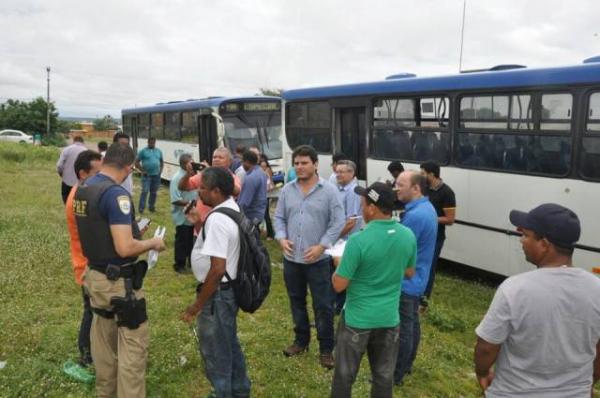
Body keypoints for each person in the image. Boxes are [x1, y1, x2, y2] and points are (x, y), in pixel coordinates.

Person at [475, 203, 600, 396]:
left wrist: (482, 372)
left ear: (544, 244)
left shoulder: (514, 289)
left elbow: (486, 347)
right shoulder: (596, 288)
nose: (521, 241)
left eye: (525, 235)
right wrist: (587, 382)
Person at [75, 143, 166, 397]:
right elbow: (125, 248)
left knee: (103, 344)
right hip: (119, 284)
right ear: (128, 167)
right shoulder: (116, 195)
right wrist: (153, 243)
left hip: (94, 276)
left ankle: (106, 392)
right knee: (133, 351)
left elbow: (99, 229)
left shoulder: (84, 189)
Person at [330, 182, 416, 398]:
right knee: (383, 376)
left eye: (363, 203)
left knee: (344, 376)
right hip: (389, 318)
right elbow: (409, 272)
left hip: (357, 321)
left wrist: (338, 263)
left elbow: (339, 284)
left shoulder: (358, 241)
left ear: (371, 208)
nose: (361, 207)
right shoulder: (407, 235)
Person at [182, 167, 251, 398]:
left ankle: (222, 392)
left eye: (202, 188)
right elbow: (220, 247)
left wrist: (198, 305)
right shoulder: (230, 209)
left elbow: (218, 269)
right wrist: (198, 223)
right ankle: (240, 390)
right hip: (227, 291)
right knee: (228, 343)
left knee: (216, 351)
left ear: (217, 191)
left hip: (218, 295)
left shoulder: (219, 220)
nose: (198, 193)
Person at [274, 145, 345, 369]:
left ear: (315, 164)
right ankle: (301, 341)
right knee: (296, 302)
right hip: (292, 259)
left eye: (304, 163)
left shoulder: (329, 190)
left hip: (318, 261)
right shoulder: (287, 190)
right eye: (296, 163)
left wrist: (322, 246)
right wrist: (281, 238)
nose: (299, 167)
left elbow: (338, 222)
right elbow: (279, 218)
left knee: (323, 305)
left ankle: (326, 349)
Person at [393, 171, 438, 385]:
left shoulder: (416, 216)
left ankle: (396, 374)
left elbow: (398, 248)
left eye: (401, 185)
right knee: (412, 324)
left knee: (404, 329)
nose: (396, 188)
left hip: (408, 280)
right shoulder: (425, 208)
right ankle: (407, 364)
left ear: (416, 188)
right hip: (418, 277)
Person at [65, 150, 103, 368]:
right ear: (82, 173)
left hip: (87, 263)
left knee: (93, 311)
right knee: (91, 312)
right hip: (87, 265)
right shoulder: (80, 198)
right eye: (97, 173)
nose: (101, 178)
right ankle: (86, 355)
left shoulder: (82, 192)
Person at [178, 147, 242, 234]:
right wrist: (188, 174)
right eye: (214, 157)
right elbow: (182, 187)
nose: (216, 160)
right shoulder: (204, 175)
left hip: (220, 227)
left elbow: (236, 191)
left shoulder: (233, 178)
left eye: (220, 157)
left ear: (229, 162)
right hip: (199, 227)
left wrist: (216, 174)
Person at [420, 161, 456, 301]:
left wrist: (429, 218)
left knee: (429, 267)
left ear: (432, 174)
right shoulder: (425, 189)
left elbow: (450, 219)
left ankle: (424, 298)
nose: (421, 176)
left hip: (436, 237)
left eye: (423, 173)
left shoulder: (447, 192)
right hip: (422, 235)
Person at [170, 153, 198, 273]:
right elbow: (175, 200)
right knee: (182, 241)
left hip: (193, 215)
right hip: (182, 216)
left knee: (192, 241)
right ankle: (179, 265)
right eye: (189, 163)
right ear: (182, 164)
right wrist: (192, 203)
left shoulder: (194, 176)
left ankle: (192, 262)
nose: (192, 165)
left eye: (192, 162)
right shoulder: (177, 178)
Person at [237, 150, 268, 227]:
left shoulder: (250, 178)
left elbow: (244, 202)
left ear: (247, 162)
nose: (242, 165)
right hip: (259, 213)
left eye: (242, 162)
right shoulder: (261, 172)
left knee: (248, 238)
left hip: (250, 216)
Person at [334, 160, 363, 240]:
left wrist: (333, 237)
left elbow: (351, 222)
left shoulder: (353, 191)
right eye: (337, 172)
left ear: (351, 173)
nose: (337, 175)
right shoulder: (341, 189)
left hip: (346, 241)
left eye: (341, 172)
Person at [135, 137, 164, 213]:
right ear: (147, 142)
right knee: (145, 191)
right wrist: (142, 170)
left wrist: (160, 171)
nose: (152, 144)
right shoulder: (143, 151)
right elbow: (136, 162)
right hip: (146, 175)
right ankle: (141, 209)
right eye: (150, 143)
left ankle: (151, 207)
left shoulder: (158, 151)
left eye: (153, 143)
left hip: (156, 175)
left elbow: (161, 162)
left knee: (154, 192)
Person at [57, 135, 87, 204]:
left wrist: (61, 174)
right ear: (83, 142)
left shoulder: (67, 149)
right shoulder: (86, 151)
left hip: (67, 181)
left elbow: (59, 165)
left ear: (74, 141)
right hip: (80, 183)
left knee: (67, 201)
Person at [259, 154, 275, 239]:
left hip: (266, 195)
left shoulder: (268, 170)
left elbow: (271, 182)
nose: (263, 164)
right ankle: (260, 231)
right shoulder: (258, 171)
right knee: (260, 214)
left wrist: (271, 186)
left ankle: (270, 234)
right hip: (260, 196)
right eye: (261, 163)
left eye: (264, 162)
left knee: (266, 215)